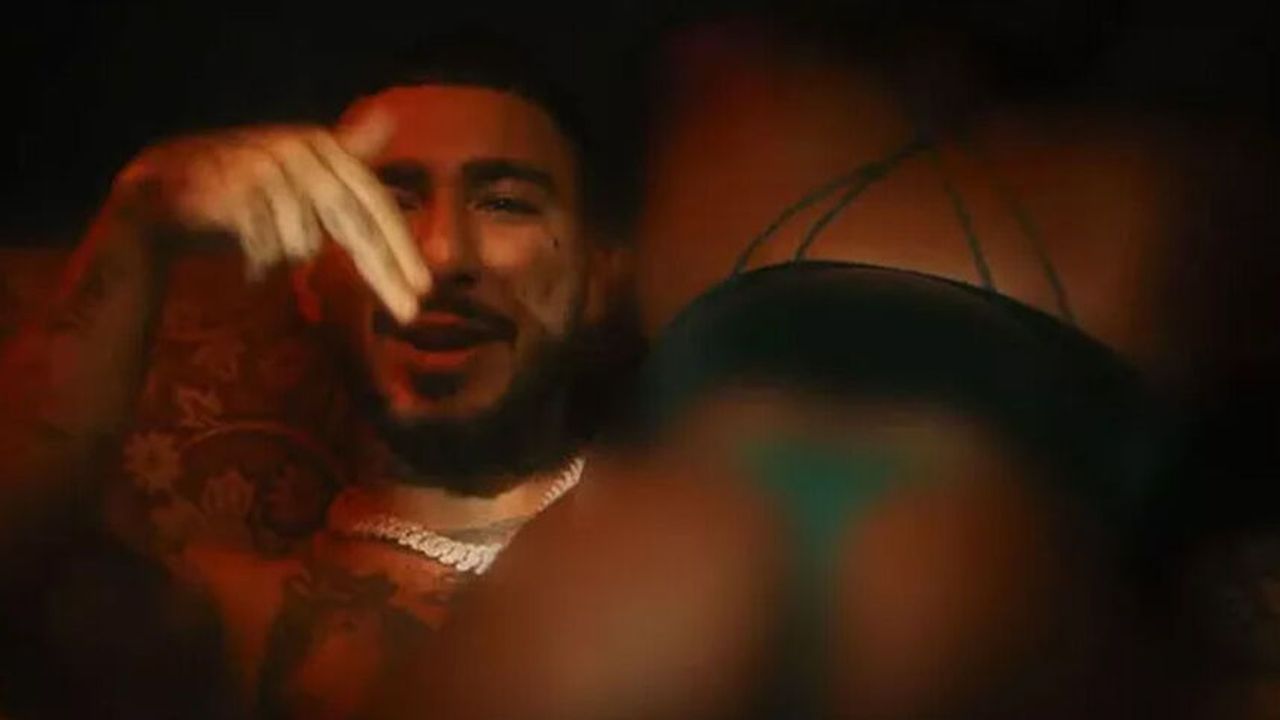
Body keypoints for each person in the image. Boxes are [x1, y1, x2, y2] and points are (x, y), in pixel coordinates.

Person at [0, 33, 634, 719]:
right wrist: (138, 219)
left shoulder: (699, 534)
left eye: (505, 203)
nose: (444, 254)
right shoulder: (244, 624)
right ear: (308, 281)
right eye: (381, 206)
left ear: (601, 276)